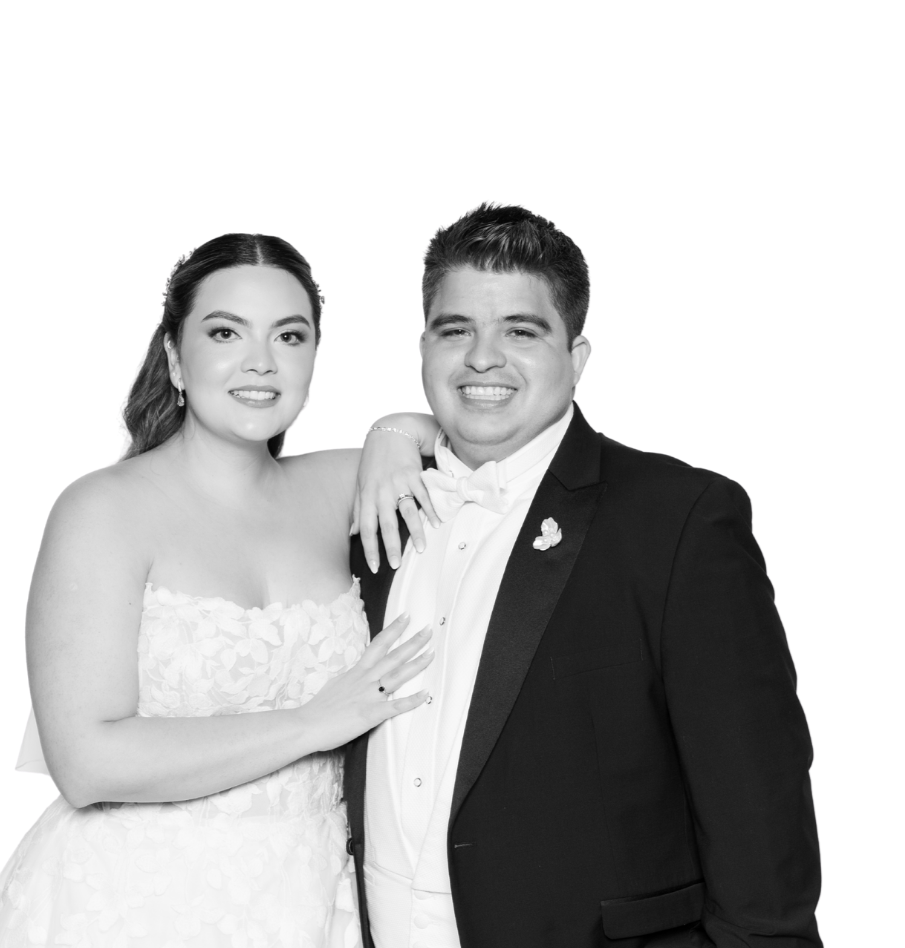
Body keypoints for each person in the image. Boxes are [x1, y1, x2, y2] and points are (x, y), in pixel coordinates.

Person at [344, 204, 822, 947]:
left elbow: (758, 810)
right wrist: (390, 428)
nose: (482, 358)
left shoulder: (679, 520)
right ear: (424, 347)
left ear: (577, 355)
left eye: (521, 331)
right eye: (456, 329)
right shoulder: (371, 510)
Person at [0, 233, 442, 948]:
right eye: (225, 333)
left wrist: (393, 431)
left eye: (289, 336)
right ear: (173, 357)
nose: (261, 362)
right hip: (128, 901)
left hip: (311, 897)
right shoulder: (103, 510)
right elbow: (86, 762)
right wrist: (312, 724)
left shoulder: (341, 484)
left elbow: (481, 435)